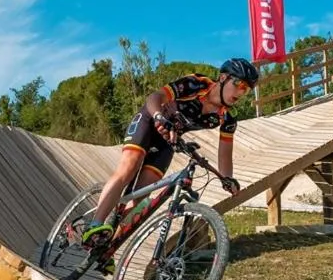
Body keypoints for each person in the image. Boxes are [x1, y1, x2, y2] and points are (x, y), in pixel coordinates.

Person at [81, 58, 259, 254]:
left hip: (169, 139)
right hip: (150, 121)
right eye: (239, 84)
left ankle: (106, 248)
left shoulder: (227, 118)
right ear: (223, 77)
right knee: (129, 166)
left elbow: (225, 154)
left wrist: (227, 178)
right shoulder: (195, 83)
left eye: (246, 89)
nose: (241, 92)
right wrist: (158, 116)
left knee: (142, 194)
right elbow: (154, 97)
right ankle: (94, 225)